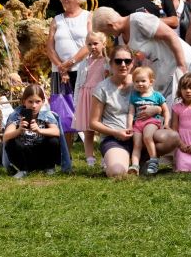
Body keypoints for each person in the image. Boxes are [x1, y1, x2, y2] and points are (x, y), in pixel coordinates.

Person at [89, 45, 180, 178]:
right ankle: (117, 160)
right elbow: (93, 123)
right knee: (117, 172)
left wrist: (157, 109)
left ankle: (140, 160)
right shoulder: (102, 88)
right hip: (115, 138)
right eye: (118, 61)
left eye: (127, 61)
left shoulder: (141, 80)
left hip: (143, 136)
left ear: (133, 63)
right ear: (111, 63)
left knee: (173, 138)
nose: (123, 64)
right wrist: (116, 132)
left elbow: (159, 102)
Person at [91, 6, 191, 100]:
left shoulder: (138, 20)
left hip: (178, 59)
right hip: (162, 69)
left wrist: (181, 65)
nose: (108, 35)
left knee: (177, 102)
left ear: (110, 25)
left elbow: (171, 36)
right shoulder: (121, 38)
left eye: (105, 32)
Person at [45, 0, 90, 149]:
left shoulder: (88, 16)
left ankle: (90, 151)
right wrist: (60, 66)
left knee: (85, 108)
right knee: (62, 112)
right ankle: (66, 152)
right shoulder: (56, 19)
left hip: (82, 70)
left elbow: (90, 44)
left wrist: (70, 63)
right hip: (59, 72)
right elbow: (49, 47)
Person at [1, 84, 69, 178]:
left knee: (53, 140)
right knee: (11, 142)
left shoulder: (46, 114)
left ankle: (49, 167)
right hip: (24, 155)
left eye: (38, 102)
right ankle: (23, 169)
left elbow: (57, 132)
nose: (34, 106)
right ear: (24, 102)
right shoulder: (16, 115)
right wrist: (19, 130)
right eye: (30, 102)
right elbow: (6, 137)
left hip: (41, 154)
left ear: (43, 102)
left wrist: (39, 130)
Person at [71, 32, 108, 166]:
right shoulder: (84, 63)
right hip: (86, 97)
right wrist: (77, 101)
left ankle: (106, 156)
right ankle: (90, 158)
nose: (92, 46)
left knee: (104, 128)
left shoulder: (107, 62)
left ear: (104, 44)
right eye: (89, 44)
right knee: (88, 130)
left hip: (100, 97)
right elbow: (78, 84)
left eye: (96, 43)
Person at [126, 66, 169, 176]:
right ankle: (135, 166)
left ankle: (153, 160)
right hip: (138, 124)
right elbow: (131, 112)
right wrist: (130, 126)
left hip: (152, 122)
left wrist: (167, 123)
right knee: (137, 144)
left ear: (151, 82)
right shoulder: (134, 96)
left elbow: (166, 111)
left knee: (147, 136)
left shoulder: (157, 95)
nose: (140, 84)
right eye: (136, 81)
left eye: (143, 81)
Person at [170, 72, 191, 172]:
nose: (188, 91)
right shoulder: (177, 108)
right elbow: (174, 128)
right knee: (181, 167)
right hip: (183, 142)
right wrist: (181, 144)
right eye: (184, 88)